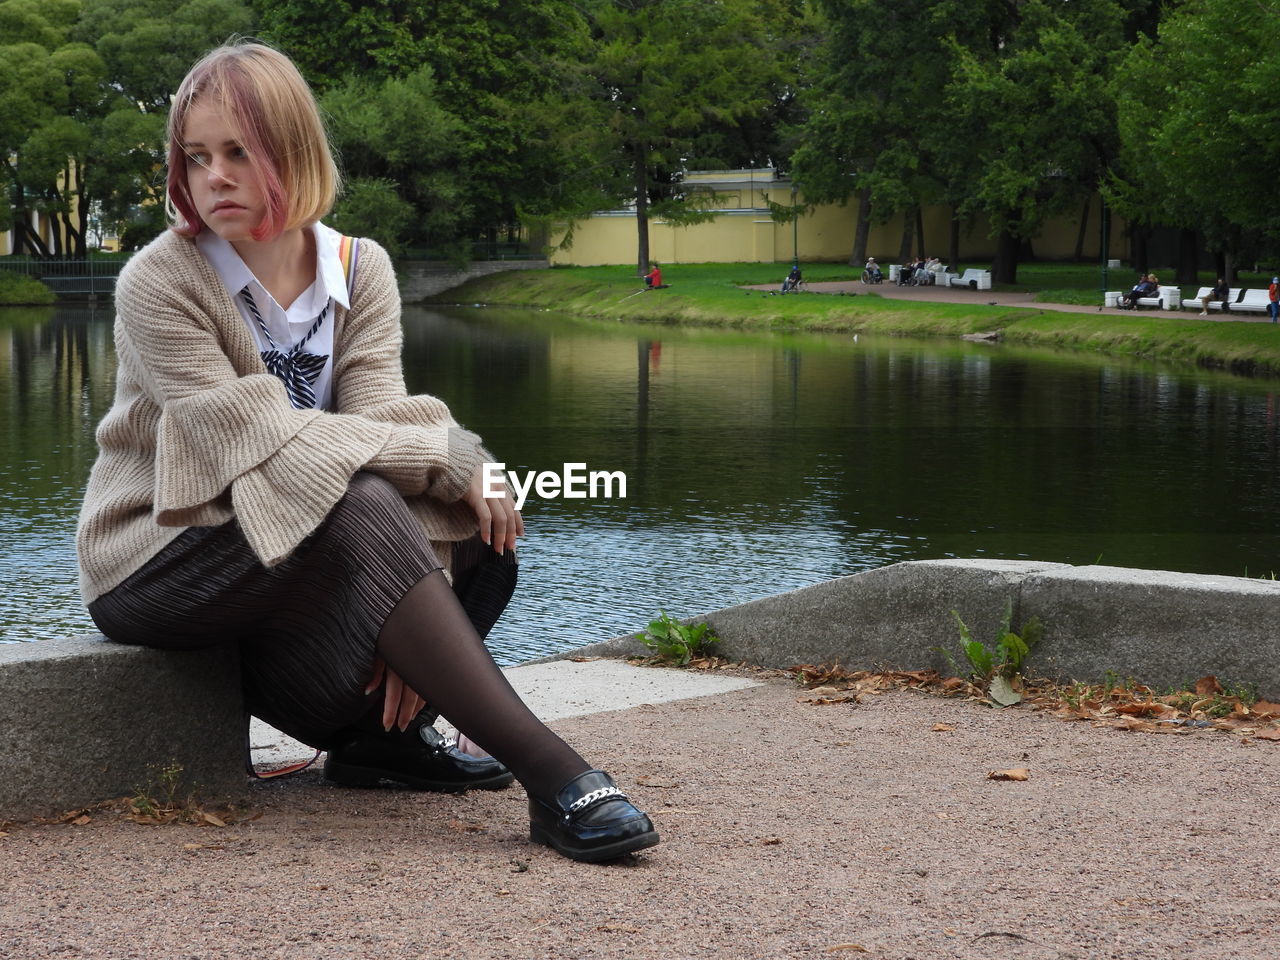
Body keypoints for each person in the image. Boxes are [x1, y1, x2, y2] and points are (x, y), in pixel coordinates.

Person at [75, 41, 658, 864]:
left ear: (295, 149)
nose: (215, 177)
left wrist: (430, 541)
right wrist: (447, 452)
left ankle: (385, 742)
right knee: (375, 492)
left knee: (482, 527)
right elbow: (259, 441)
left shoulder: (360, 268)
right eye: (196, 157)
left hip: (294, 548)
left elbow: (383, 420)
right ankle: (557, 776)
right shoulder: (158, 281)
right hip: (164, 557)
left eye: (239, 151)